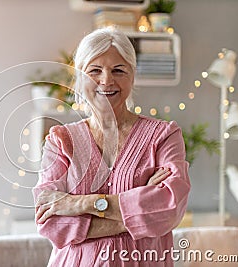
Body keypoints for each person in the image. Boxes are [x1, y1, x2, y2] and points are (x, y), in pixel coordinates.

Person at [33, 27, 190, 266]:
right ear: (79, 77)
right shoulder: (60, 140)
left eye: (118, 70)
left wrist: (77, 203)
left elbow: (170, 207)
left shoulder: (164, 136)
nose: (106, 80)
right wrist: (141, 210)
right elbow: (52, 224)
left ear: (133, 76)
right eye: (95, 70)